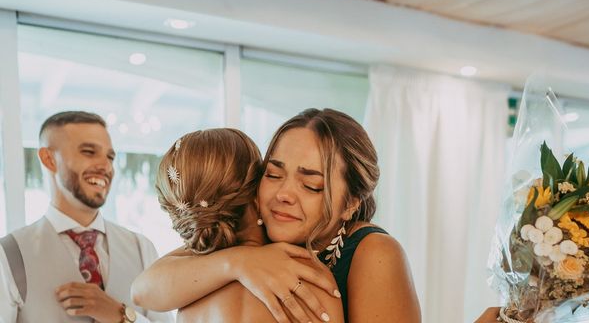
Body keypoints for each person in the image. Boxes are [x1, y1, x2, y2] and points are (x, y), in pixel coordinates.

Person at [133, 108, 422, 323]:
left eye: (312, 185)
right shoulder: (259, 235)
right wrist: (237, 263)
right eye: (273, 174)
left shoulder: (373, 252)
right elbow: (144, 290)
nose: (284, 194)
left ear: (350, 204)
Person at [153, 127, 344, 322]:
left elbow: (142, 289)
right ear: (255, 192)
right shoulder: (313, 278)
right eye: (272, 175)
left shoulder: (187, 291)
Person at [0, 111, 173, 323]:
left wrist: (123, 316)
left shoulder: (142, 248)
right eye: (89, 152)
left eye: (110, 157)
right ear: (49, 159)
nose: (105, 166)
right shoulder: (7, 256)